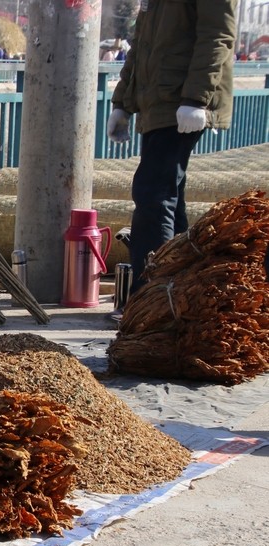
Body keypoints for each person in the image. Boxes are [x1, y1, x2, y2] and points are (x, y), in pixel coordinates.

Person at [106, 0, 235, 313]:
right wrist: (122, 102)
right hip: (162, 103)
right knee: (167, 199)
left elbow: (217, 36)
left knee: (154, 194)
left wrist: (196, 99)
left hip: (181, 102)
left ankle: (152, 299)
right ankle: (176, 294)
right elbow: (141, 42)